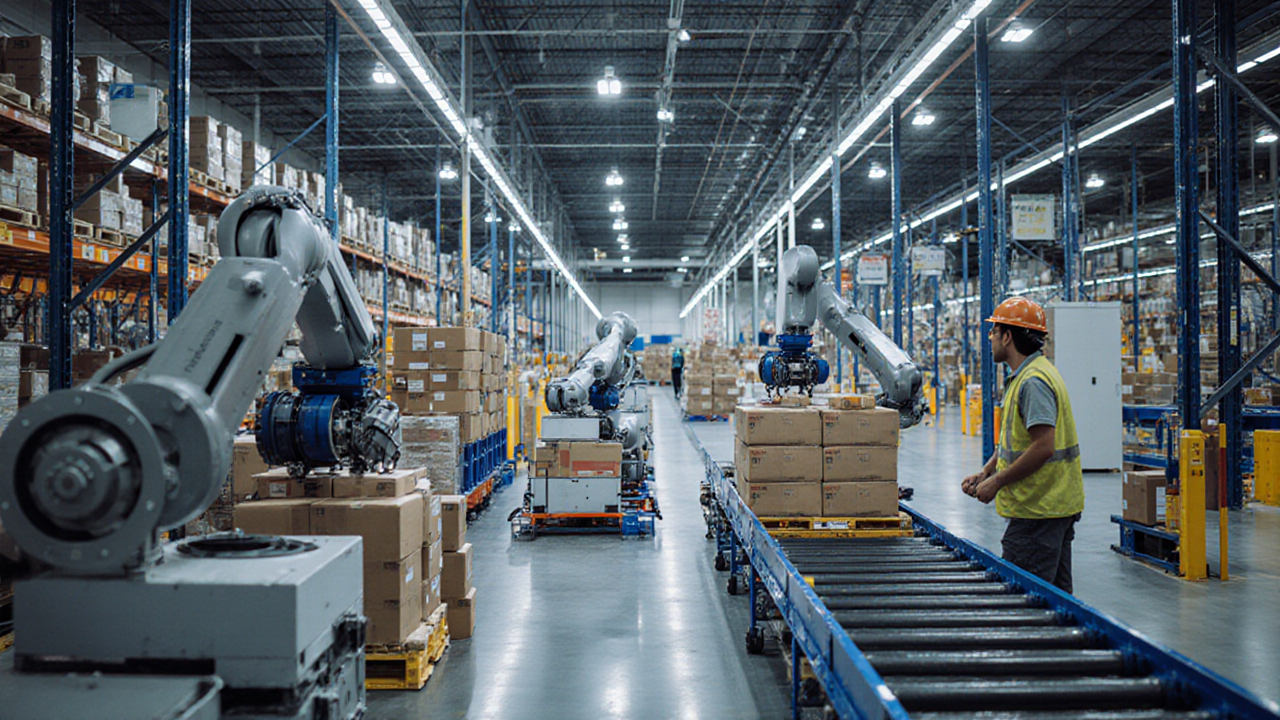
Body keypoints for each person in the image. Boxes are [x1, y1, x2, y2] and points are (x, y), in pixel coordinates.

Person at [961, 297, 1084, 593]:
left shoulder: (1033, 382)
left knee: (1023, 603)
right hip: (1052, 509)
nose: (989, 338)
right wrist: (987, 471)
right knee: (1055, 602)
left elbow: (1043, 446)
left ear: (1008, 336)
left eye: (994, 331)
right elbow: (1016, 440)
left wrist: (997, 483)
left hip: (1038, 512)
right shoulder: (1029, 374)